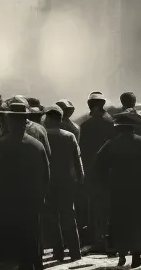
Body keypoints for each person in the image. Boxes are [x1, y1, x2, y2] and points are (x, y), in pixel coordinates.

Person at [0, 101, 50, 270]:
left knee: (10, 238)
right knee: (31, 236)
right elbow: (46, 175)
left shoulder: (0, 145)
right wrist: (42, 197)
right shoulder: (36, 146)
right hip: (30, 201)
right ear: (24, 122)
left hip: (6, 201)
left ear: (9, 121)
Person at [96, 111, 141, 269]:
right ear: (132, 128)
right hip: (139, 189)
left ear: (118, 128)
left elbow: (99, 165)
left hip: (118, 189)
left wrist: (104, 183)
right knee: (136, 221)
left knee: (119, 221)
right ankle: (136, 253)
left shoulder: (111, 144)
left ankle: (122, 253)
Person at [43, 104, 84, 262]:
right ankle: (75, 252)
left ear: (50, 119)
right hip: (67, 182)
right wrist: (81, 176)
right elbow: (77, 158)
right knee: (69, 216)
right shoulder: (69, 136)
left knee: (52, 218)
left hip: (49, 182)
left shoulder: (43, 135)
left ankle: (58, 252)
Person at [79, 91, 115, 251]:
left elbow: (82, 151)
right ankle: (108, 239)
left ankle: (97, 239)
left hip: (92, 172)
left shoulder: (86, 125)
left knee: (95, 207)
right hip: (110, 172)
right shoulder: (111, 122)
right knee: (109, 206)